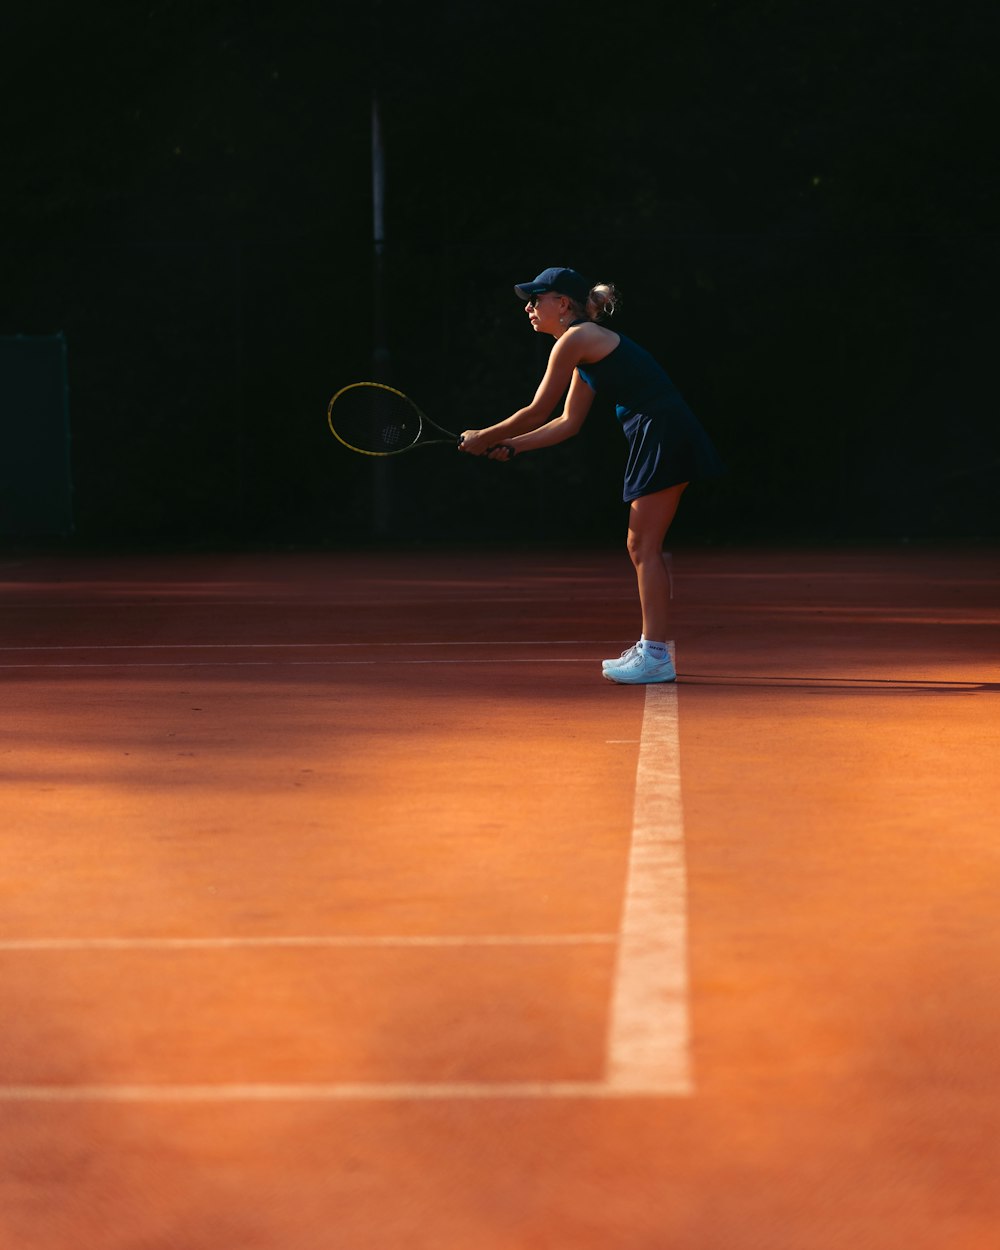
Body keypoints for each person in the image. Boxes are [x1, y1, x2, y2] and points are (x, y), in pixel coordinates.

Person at [459, 266, 723, 685]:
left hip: (661, 431)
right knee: (641, 544)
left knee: (642, 545)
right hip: (661, 430)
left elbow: (536, 411)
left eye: (536, 299)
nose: (528, 307)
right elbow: (567, 422)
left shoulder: (576, 339)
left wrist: (483, 435)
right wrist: (515, 445)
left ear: (562, 303)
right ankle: (651, 648)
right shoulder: (586, 348)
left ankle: (654, 654)